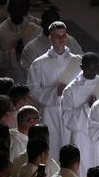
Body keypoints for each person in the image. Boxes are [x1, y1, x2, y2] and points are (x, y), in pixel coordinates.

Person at [29, 22, 82, 155]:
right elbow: (33, 90)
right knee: (52, 149)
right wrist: (54, 92)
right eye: (57, 36)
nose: (61, 39)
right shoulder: (39, 64)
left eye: (63, 36)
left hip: (71, 112)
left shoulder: (77, 62)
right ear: (50, 38)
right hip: (50, 113)